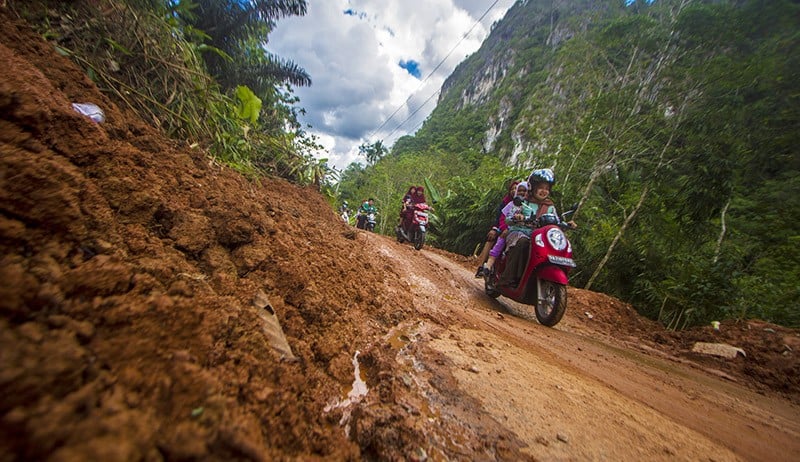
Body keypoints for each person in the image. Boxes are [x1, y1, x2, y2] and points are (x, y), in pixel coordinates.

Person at [496, 168, 560, 287]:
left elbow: (557, 221)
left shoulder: (550, 207)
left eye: (547, 188)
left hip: (540, 237)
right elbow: (508, 219)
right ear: (532, 187)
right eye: (541, 187)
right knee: (523, 242)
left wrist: (567, 224)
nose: (544, 191)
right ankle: (507, 278)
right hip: (520, 232)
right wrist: (517, 217)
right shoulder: (523, 202)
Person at [481, 181, 529, 276]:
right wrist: (505, 228)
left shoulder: (529, 206)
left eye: (525, 190)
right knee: (500, 241)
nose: (521, 193)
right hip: (510, 230)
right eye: (519, 190)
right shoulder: (511, 204)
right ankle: (489, 264)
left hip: (526, 232)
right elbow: (502, 217)